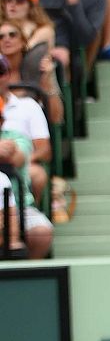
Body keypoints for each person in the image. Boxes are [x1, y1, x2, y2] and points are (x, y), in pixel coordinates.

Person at [0, 95, 49, 257]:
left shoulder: (15, 137)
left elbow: (16, 159)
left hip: (18, 206)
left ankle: (29, 277)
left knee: (41, 233)